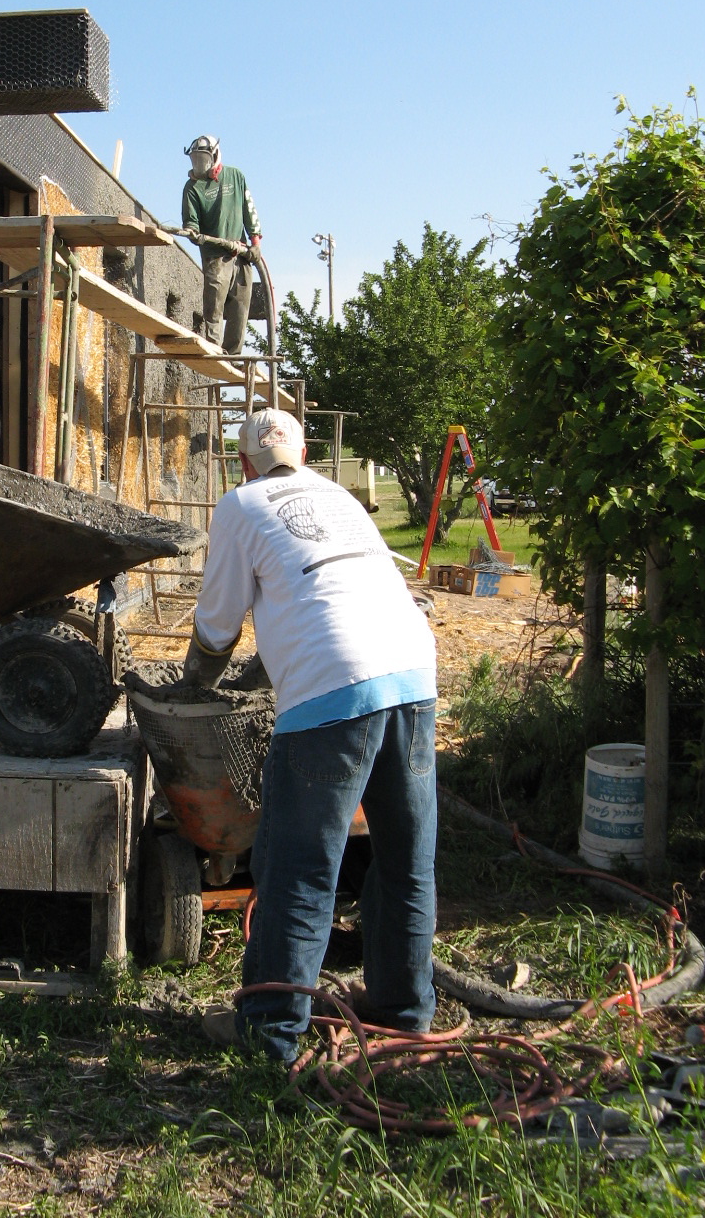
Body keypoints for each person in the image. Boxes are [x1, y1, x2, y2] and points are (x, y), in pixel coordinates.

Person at [183, 408, 438, 1062]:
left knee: (296, 869)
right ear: (307, 453)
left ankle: (270, 1037)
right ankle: (404, 1013)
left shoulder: (241, 504)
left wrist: (196, 680)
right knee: (406, 859)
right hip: (412, 674)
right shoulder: (341, 497)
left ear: (243, 463)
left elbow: (217, 624)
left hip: (331, 689)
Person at [181, 135, 262, 355]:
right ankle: (214, 350)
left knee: (240, 306)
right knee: (214, 305)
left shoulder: (235, 177)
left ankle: (233, 354)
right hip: (215, 256)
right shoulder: (192, 187)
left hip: (241, 253)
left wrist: (255, 241)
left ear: (215, 155)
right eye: (196, 159)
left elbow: (249, 209)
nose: (199, 163)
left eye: (203, 158)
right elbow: (191, 221)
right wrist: (193, 232)